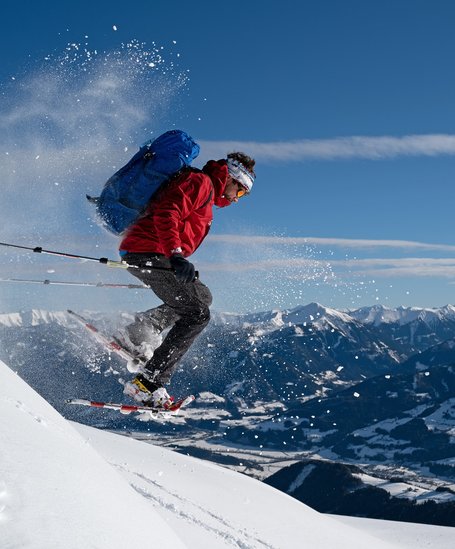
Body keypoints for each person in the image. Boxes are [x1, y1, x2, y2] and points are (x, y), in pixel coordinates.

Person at [117, 151, 256, 408]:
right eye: (240, 192)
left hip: (154, 252)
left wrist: (176, 256)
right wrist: (176, 254)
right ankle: (147, 383)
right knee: (197, 314)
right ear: (232, 179)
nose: (237, 199)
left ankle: (138, 331)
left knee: (202, 297)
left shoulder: (206, 193)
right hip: (148, 252)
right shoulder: (200, 183)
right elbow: (167, 212)